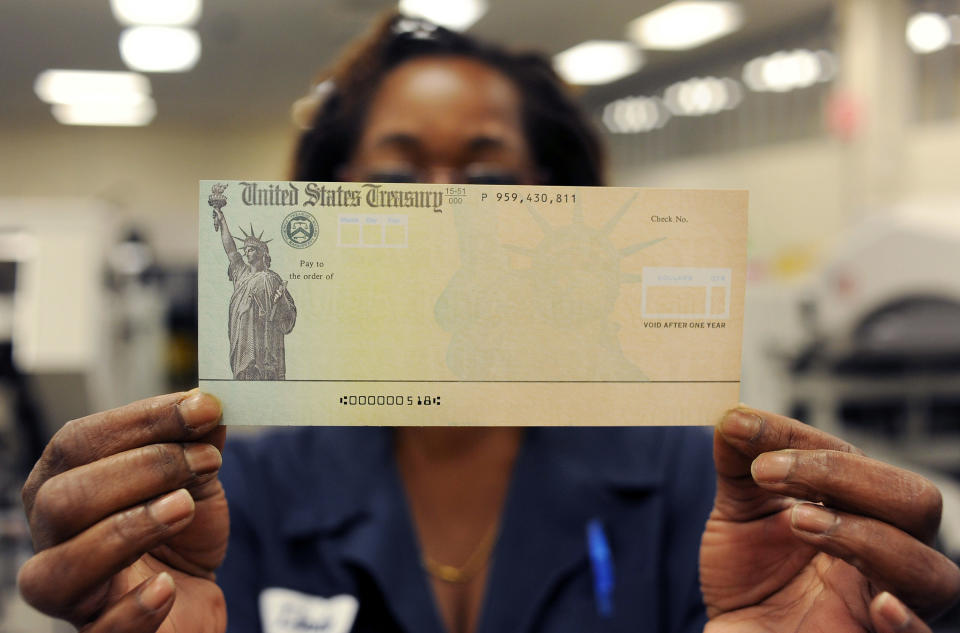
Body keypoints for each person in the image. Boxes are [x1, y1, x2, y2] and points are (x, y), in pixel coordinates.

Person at [17, 13, 960, 633]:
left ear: (563, 209)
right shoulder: (227, 498)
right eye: (393, 180)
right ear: (324, 210)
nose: (443, 209)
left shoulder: (699, 487)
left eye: (488, 177)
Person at [211, 204, 297, 381]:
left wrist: (281, 302)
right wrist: (222, 220)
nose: (246, 252)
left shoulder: (271, 279)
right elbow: (231, 251)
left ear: (261, 253)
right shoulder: (241, 274)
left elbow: (287, 316)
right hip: (242, 337)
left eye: (251, 249)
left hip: (264, 342)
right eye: (246, 249)